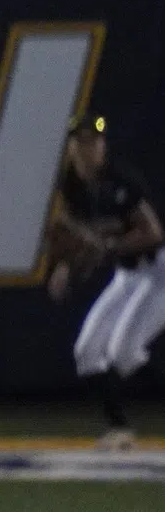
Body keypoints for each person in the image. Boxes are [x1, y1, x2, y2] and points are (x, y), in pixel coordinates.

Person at [47, 114, 165, 448]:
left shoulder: (120, 179)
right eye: (82, 141)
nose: (90, 148)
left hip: (158, 270)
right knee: (86, 351)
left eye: (95, 141)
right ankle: (119, 428)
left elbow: (154, 233)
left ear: (104, 145)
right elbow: (72, 231)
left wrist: (108, 246)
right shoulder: (72, 185)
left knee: (124, 352)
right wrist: (65, 267)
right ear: (71, 148)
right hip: (128, 274)